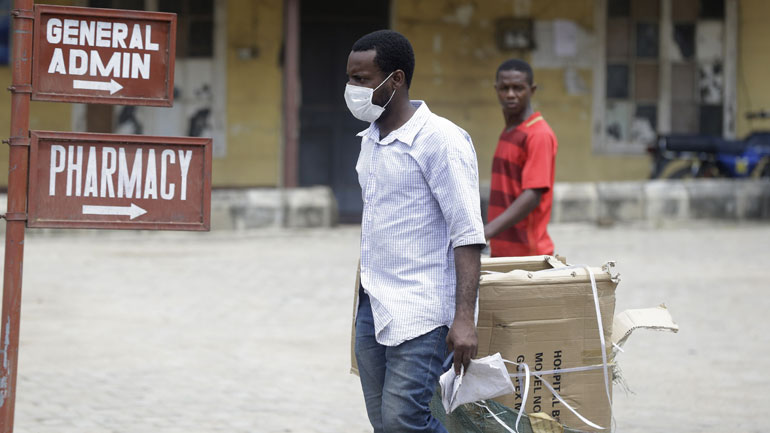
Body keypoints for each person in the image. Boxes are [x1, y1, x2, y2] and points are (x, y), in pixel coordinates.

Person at [345, 30, 486, 433]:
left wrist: (463, 318)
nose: (353, 89)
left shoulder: (441, 140)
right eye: (350, 78)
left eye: (362, 79)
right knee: (384, 424)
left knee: (405, 422)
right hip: (374, 308)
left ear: (396, 80)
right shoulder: (370, 140)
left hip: (423, 313)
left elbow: (467, 233)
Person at [484, 59, 559, 257]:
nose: (510, 94)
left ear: (532, 90)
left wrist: (485, 232)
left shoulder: (538, 134)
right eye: (504, 88)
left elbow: (532, 195)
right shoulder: (510, 131)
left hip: (528, 253)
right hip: (503, 249)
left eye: (518, 88)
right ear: (496, 89)